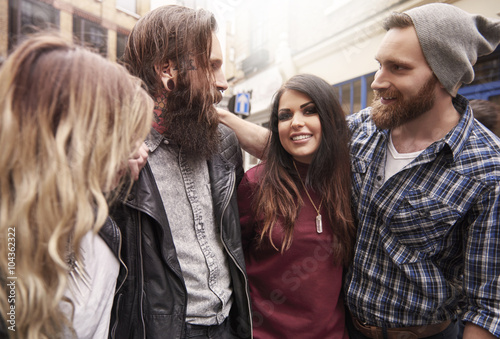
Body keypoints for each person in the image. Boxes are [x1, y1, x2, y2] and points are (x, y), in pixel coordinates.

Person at [219, 3, 500, 338]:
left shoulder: (486, 167)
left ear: (444, 76)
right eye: (380, 65)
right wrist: (219, 115)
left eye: (398, 68)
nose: (378, 82)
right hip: (347, 329)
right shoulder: (363, 129)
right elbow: (292, 149)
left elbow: (487, 305)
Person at [108, 5, 252, 339]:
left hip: (230, 325)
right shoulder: (116, 154)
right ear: (167, 70)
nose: (223, 83)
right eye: (212, 66)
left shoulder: (225, 143)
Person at [0, 33, 153, 338]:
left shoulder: (96, 214)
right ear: (71, 139)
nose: (137, 149)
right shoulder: (12, 248)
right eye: (121, 135)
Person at [237, 74, 355, 338]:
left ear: (329, 119)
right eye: (285, 115)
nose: (296, 123)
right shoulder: (255, 183)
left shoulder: (349, 179)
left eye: (310, 111)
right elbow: (234, 262)